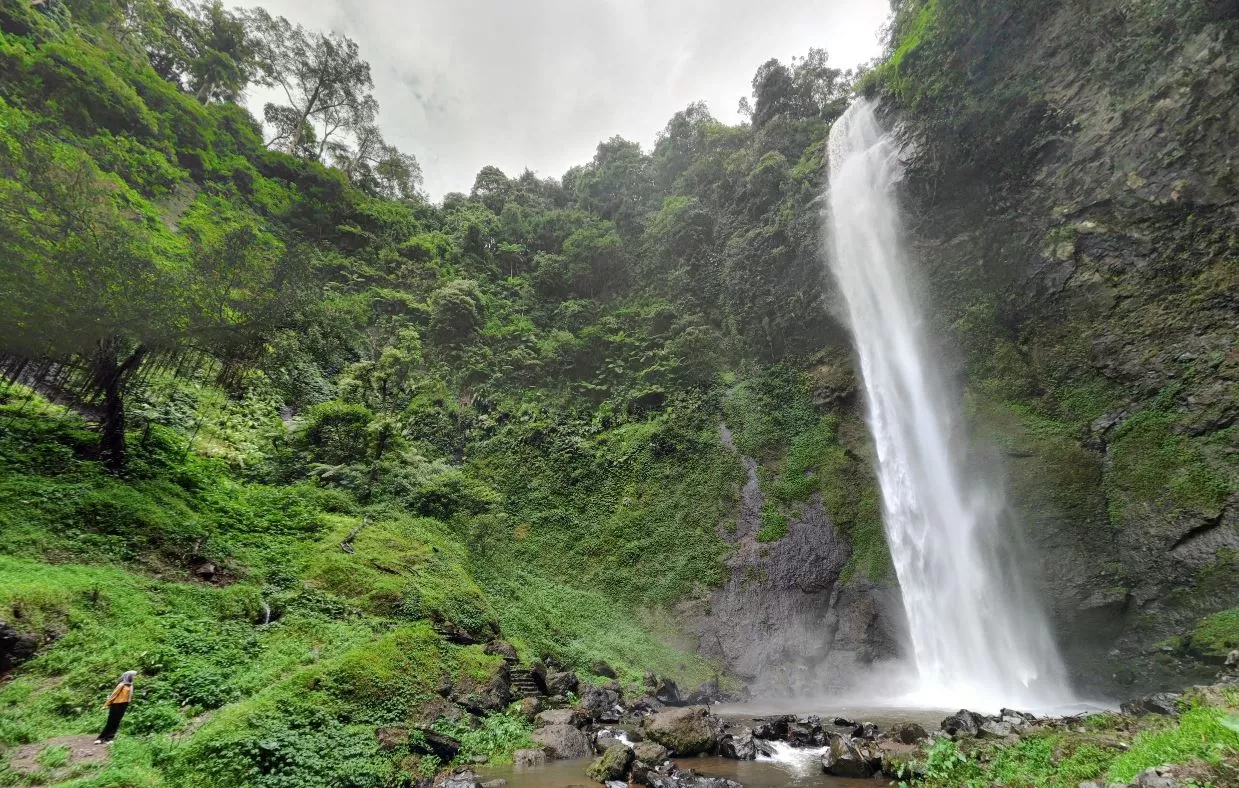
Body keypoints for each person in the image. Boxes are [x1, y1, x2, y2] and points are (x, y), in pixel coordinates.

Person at [95, 671, 136, 744]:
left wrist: (128, 703)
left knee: (117, 722)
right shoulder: (121, 685)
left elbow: (130, 697)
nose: (134, 677)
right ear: (129, 676)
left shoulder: (130, 685)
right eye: (133, 676)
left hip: (124, 705)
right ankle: (101, 738)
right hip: (116, 704)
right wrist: (106, 705)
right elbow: (113, 695)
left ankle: (110, 738)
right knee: (111, 722)